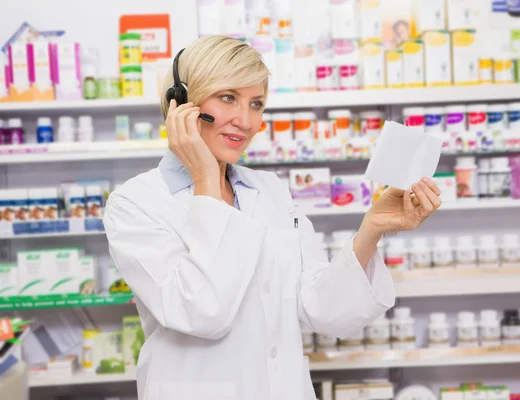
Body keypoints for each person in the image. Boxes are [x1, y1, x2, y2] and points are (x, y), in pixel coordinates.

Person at [104, 35, 442, 400]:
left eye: (257, 104)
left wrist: (372, 228)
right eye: (228, 97)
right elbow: (202, 312)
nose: (245, 121)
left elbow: (323, 311)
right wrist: (205, 178)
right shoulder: (136, 203)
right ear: (182, 102)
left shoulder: (270, 191)